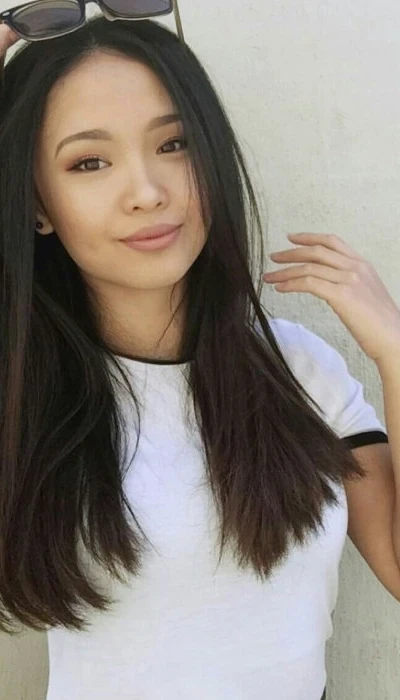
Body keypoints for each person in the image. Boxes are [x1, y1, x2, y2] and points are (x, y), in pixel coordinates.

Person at [1, 7, 400, 700]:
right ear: (36, 203)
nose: (147, 192)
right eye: (89, 161)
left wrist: (395, 352)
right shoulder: (19, 392)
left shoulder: (302, 370)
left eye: (175, 143)